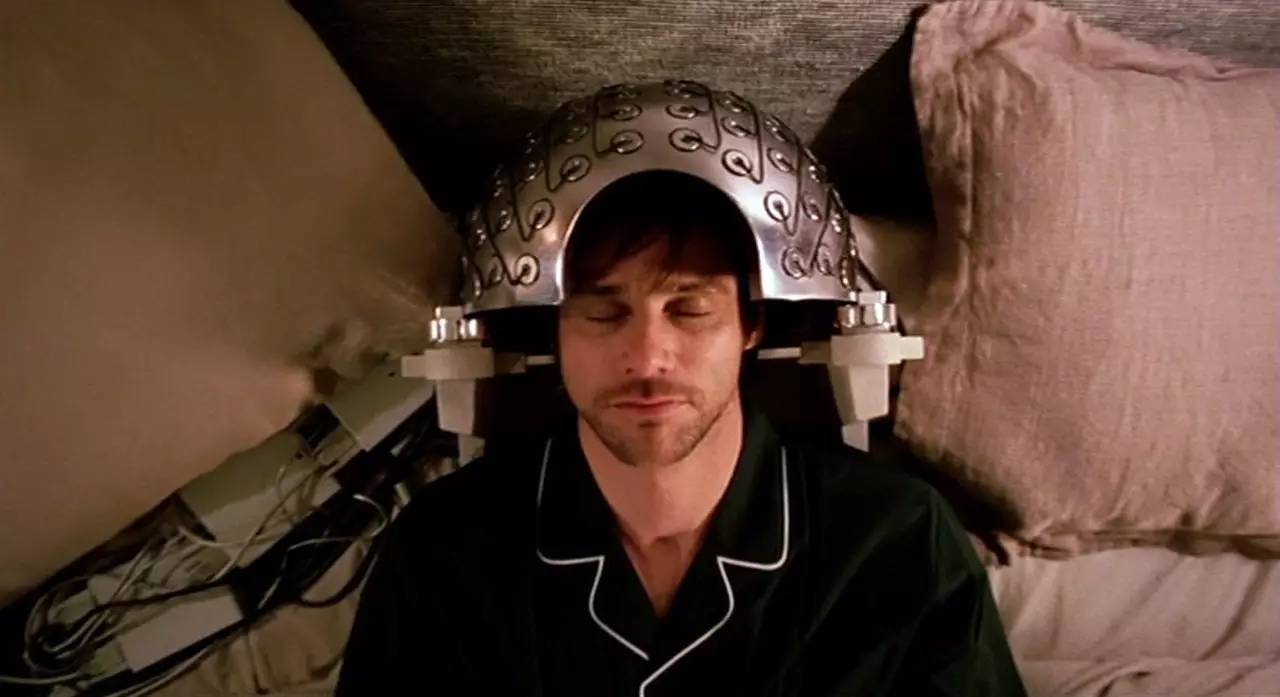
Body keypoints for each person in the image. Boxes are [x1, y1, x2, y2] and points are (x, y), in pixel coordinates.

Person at [336, 81, 1026, 696]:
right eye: (603, 313)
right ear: (555, 332)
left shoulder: (898, 544)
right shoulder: (443, 553)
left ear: (751, 323)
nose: (647, 356)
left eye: (689, 310)